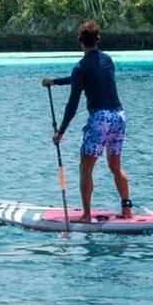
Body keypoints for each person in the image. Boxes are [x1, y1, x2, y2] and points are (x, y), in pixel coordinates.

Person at [41, 20, 130, 221]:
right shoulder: (108, 60)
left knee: (85, 167)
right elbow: (88, 76)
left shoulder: (80, 67)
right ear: (98, 39)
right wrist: (55, 82)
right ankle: (127, 209)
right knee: (115, 166)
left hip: (100, 119)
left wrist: (61, 132)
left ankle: (87, 215)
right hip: (119, 116)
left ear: (79, 41)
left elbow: (73, 103)